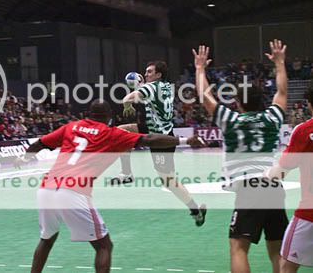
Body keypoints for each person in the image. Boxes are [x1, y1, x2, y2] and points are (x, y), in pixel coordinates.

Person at [26, 99, 204, 273]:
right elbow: (149, 139)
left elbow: (39, 143)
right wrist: (184, 141)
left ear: (89, 114)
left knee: (47, 238)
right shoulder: (110, 134)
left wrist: (25, 158)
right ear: (109, 116)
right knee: (104, 246)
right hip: (73, 191)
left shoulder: (71, 126)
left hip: (46, 189)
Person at [193, 41, 289, 273]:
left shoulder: (231, 120)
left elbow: (206, 98)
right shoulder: (272, 117)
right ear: (262, 101)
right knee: (276, 250)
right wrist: (280, 63)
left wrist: (199, 69)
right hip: (274, 187)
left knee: (238, 248)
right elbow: (282, 92)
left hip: (249, 188)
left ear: (237, 103)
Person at [113, 61, 206, 226]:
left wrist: (128, 105)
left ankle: (195, 210)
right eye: (146, 71)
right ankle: (126, 173)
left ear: (158, 75)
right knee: (121, 131)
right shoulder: (166, 86)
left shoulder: (151, 87)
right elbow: (151, 97)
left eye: (150, 72)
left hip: (161, 138)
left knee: (169, 182)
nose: (146, 73)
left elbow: (127, 98)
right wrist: (141, 86)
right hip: (155, 128)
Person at [266, 85, 313, 272]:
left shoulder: (304, 131)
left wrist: (266, 174)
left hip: (309, 214)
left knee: (286, 266)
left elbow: (281, 172)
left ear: (309, 105)